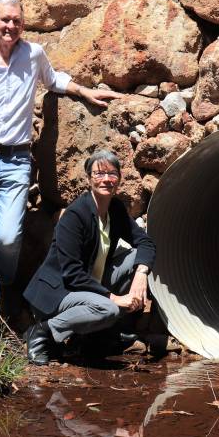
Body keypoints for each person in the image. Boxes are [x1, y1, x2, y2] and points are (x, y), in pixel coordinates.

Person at [0, 0, 122, 340]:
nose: (10, 26)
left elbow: (54, 79)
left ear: (22, 25)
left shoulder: (33, 55)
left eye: (16, 20)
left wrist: (85, 91)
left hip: (16, 159)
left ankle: (5, 286)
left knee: (8, 236)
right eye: (4, 20)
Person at [22, 149, 155, 365]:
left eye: (112, 174)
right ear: (88, 179)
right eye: (98, 174)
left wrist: (141, 274)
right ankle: (42, 332)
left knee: (135, 259)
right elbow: (72, 274)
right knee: (108, 309)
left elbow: (145, 242)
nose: (106, 179)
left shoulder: (115, 209)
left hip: (90, 286)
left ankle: (95, 335)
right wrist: (115, 298)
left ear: (119, 179)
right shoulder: (75, 216)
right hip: (60, 291)